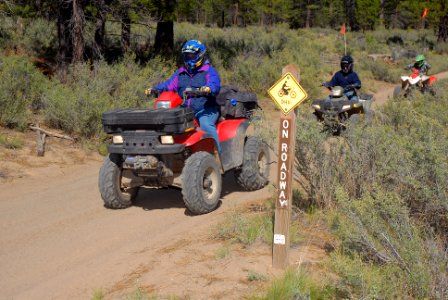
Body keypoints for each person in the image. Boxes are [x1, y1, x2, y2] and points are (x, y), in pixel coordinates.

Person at [147, 40, 222, 153]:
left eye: (193, 55)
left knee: (206, 125)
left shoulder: (209, 71)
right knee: (166, 124)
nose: (190, 58)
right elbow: (168, 85)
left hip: (206, 109)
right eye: (187, 55)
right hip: (185, 110)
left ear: (200, 55)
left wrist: (208, 88)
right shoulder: (181, 73)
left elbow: (214, 84)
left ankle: (216, 152)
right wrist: (155, 89)